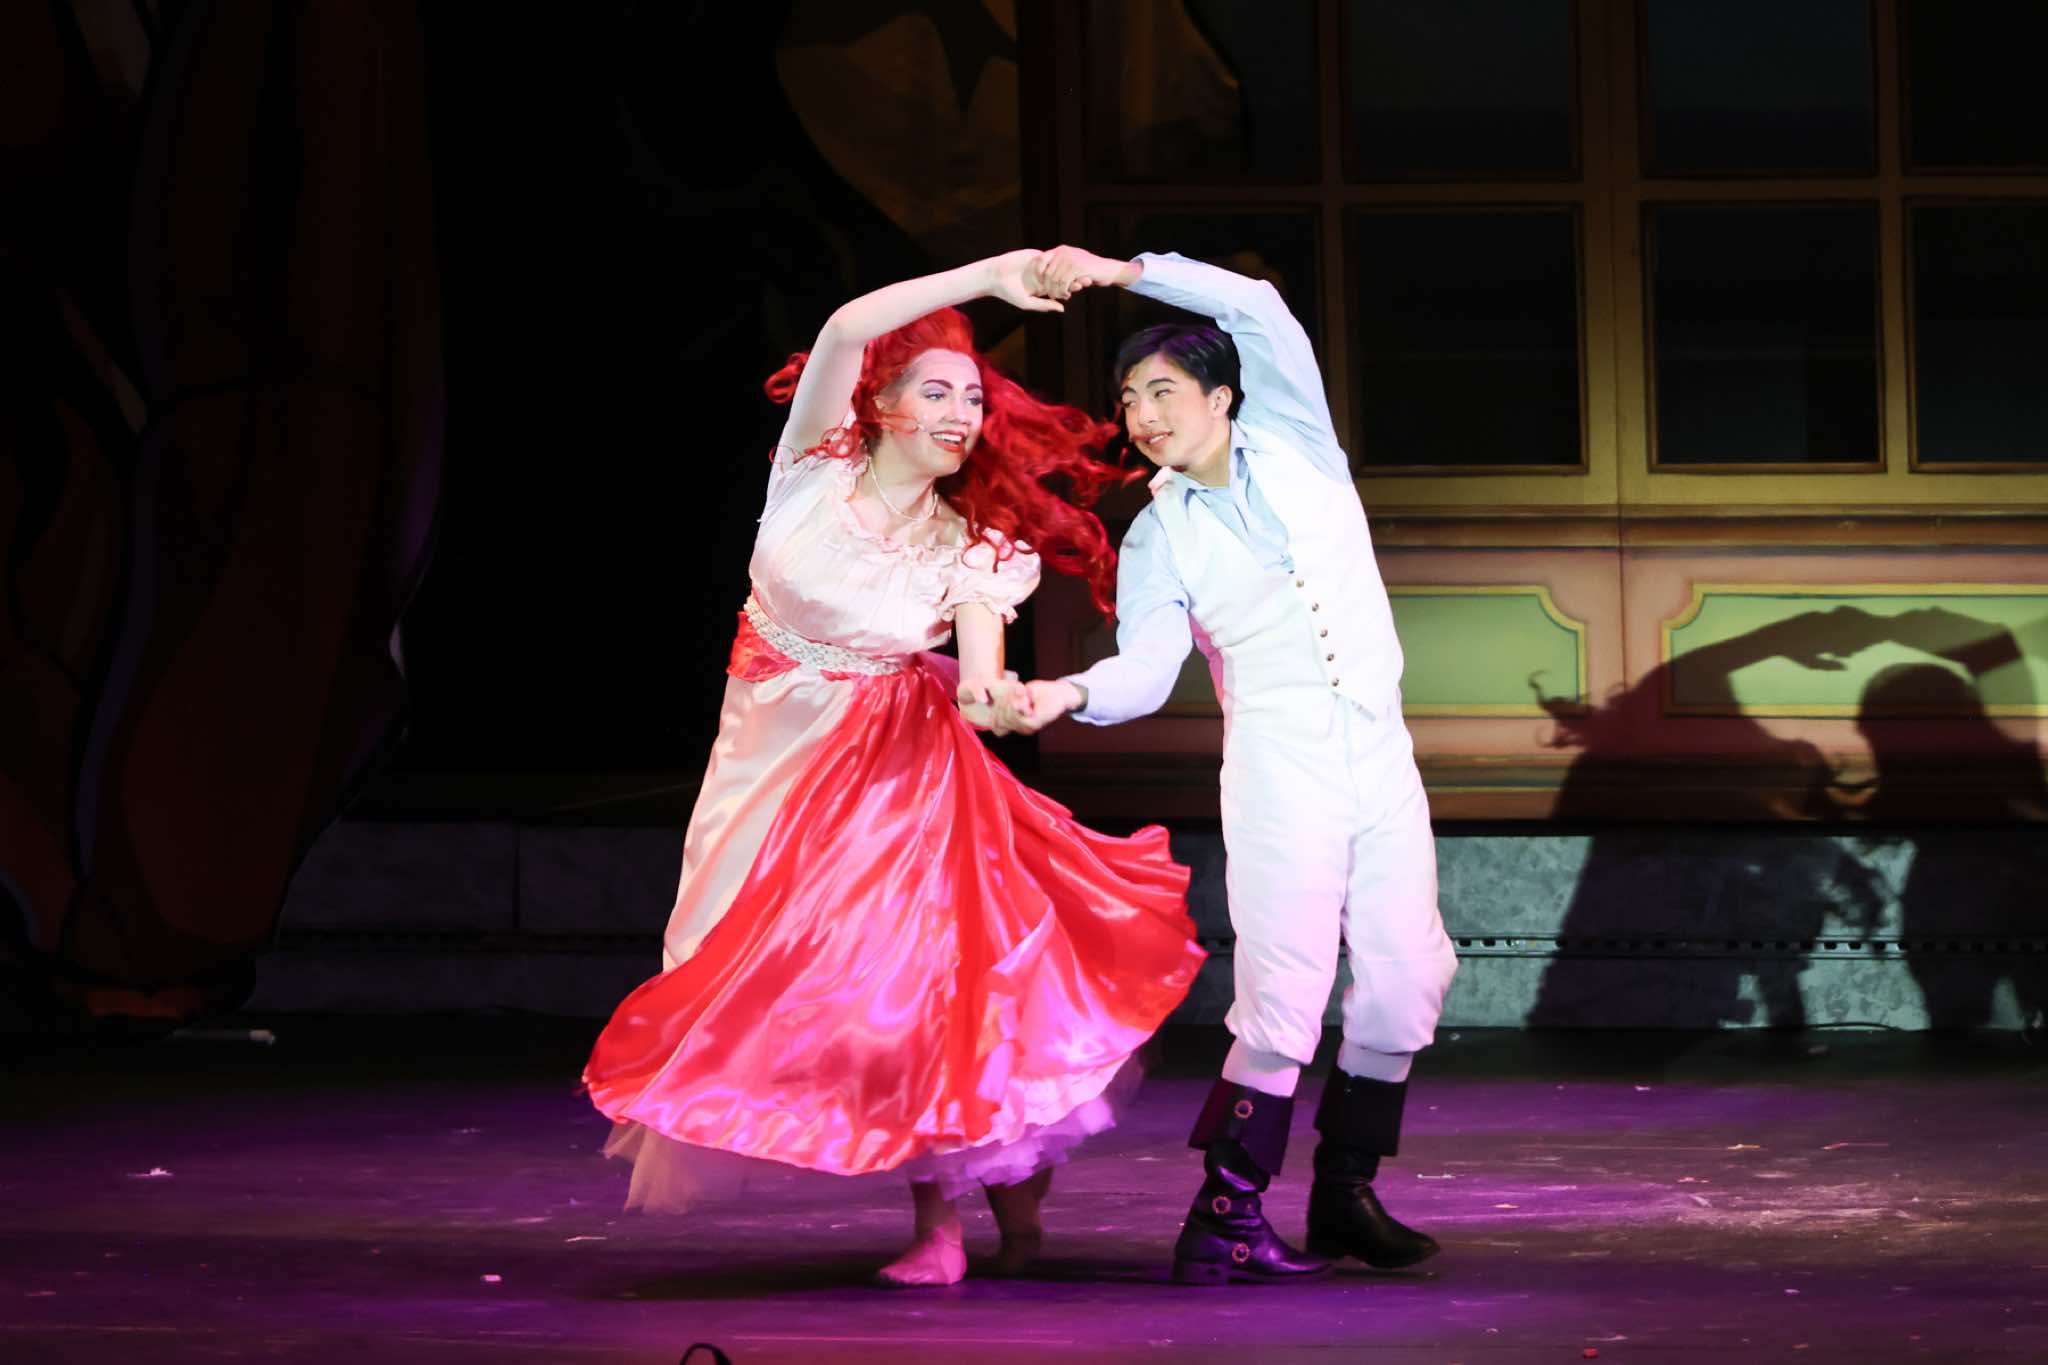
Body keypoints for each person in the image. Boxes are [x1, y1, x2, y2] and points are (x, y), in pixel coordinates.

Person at [581, 249, 1203, 1288]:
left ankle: (939, 1221)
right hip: (768, 760)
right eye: (938, 392)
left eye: (973, 399)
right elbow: (843, 327)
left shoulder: (974, 541)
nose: (961, 414)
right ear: (880, 404)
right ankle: (1011, 1181)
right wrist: (993, 277)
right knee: (746, 967)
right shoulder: (813, 470)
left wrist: (999, 696)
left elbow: (977, 674)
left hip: (894, 765)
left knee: (904, 979)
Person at [998, 246, 1460, 1284]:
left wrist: (1116, 269)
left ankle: (1344, 1193)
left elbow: (1253, 305)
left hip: (1378, 749)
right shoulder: (1159, 535)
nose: (1142, 414)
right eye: (1128, 399)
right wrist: (1062, 694)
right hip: (1279, 765)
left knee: (1406, 978)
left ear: (1220, 394)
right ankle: (1225, 1215)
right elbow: (1144, 671)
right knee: (1286, 987)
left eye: (1162, 390)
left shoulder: (1298, 442)